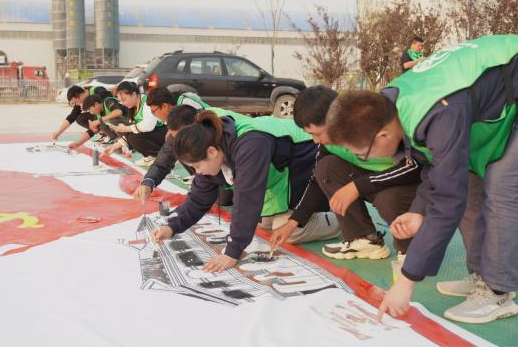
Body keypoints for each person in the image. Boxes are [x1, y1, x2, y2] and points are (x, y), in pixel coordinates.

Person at [325, 36, 518, 324]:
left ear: (382, 135)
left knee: (500, 186)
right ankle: (483, 275)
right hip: (489, 88)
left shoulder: (439, 112)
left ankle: (499, 291)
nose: (362, 159)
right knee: (469, 181)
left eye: (361, 154)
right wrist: (418, 211)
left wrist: (406, 282)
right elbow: (435, 165)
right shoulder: (389, 105)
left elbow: (448, 198)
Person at [151, 109, 339, 272]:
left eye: (197, 166)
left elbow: (247, 199)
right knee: (266, 223)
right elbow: (198, 198)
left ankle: (340, 219)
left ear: (212, 152)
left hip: (307, 161)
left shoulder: (250, 144)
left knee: (288, 229)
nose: (197, 172)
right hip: (282, 175)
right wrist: (171, 227)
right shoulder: (211, 146)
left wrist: (232, 252)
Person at [275, 86, 421, 262]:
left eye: (317, 133)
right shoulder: (328, 144)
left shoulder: (374, 122)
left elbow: (416, 167)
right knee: (326, 168)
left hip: (411, 186)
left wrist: (357, 186)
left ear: (335, 119)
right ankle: (364, 238)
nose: (315, 140)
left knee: (388, 198)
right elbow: (317, 181)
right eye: (310, 134)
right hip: (376, 183)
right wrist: (293, 222)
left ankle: (411, 249)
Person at [106, 81, 169, 161]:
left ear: (134, 94)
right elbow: (132, 132)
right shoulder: (133, 108)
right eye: (121, 101)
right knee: (132, 133)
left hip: (166, 134)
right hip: (157, 135)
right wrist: (114, 147)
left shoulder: (147, 102)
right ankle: (151, 156)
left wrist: (125, 128)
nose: (122, 103)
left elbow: (148, 126)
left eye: (124, 100)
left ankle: (161, 157)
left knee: (134, 135)